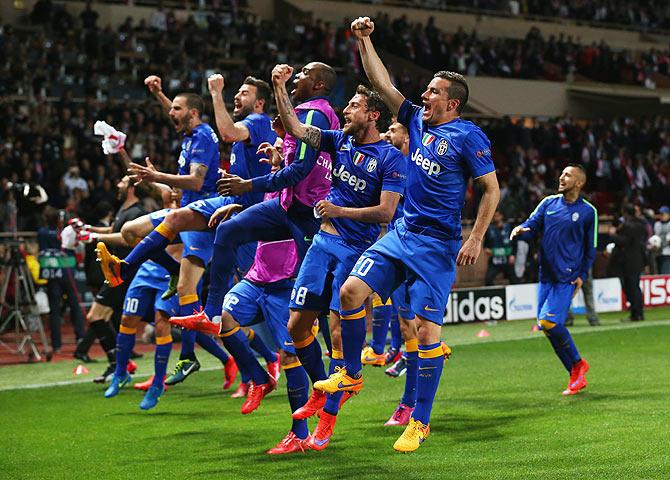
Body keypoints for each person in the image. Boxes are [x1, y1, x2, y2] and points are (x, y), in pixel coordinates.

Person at [320, 17, 499, 453]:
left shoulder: (468, 136)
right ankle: (352, 372)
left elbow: (490, 188)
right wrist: (366, 41)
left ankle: (420, 421)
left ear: (452, 103)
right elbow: (383, 85)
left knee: (425, 334)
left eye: (434, 91)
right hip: (401, 233)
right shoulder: (416, 121)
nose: (425, 95)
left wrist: (475, 237)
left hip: (437, 246)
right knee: (349, 293)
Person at [96, 77, 245, 385]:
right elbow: (177, 112)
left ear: (192, 113)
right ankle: (167, 272)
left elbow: (194, 181)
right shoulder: (190, 130)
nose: (170, 113)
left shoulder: (203, 136)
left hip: (201, 216)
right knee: (129, 231)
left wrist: (155, 175)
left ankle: (194, 358)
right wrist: (158, 94)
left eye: (177, 108)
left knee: (186, 294)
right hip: (183, 212)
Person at [511, 164, 597, 397]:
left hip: (567, 277)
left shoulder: (588, 212)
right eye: (562, 173)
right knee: (545, 326)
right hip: (546, 275)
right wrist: (522, 228)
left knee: (549, 323)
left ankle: (578, 364)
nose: (561, 177)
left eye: (567, 175)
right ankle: (575, 372)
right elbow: (533, 222)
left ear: (579, 183)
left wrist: (582, 275)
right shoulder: (548, 203)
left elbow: (591, 248)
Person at [608, 204, 646, 322]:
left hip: (627, 262)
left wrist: (613, 234)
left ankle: (636, 313)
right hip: (638, 259)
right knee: (635, 287)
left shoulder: (628, 226)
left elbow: (624, 241)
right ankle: (638, 313)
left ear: (625, 212)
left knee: (630, 287)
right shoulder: (641, 224)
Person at [484, 210, 517, 285]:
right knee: (488, 279)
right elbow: (486, 245)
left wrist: (513, 255)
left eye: (497, 216)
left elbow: (514, 242)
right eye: (494, 216)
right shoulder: (489, 229)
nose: (496, 218)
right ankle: (492, 295)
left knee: (514, 280)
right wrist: (486, 249)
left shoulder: (509, 227)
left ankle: (514, 295)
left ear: (501, 216)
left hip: (507, 259)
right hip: (495, 260)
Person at [654, 206, 670, 274]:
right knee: (659, 273)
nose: (662, 215)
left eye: (664, 213)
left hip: (668, 253)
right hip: (658, 253)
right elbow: (656, 237)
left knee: (665, 273)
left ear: (668, 215)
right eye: (661, 214)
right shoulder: (657, 224)